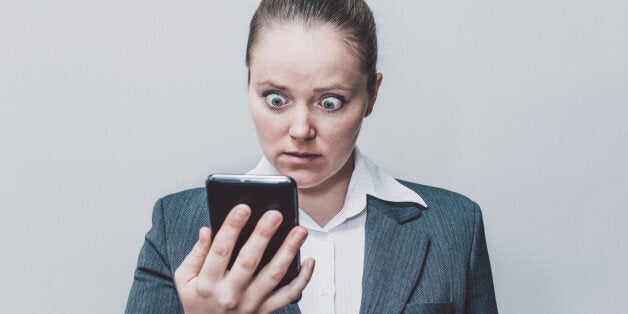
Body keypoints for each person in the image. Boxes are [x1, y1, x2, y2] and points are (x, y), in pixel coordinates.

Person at [126, 0, 498, 313]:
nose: (301, 129)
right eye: (276, 99)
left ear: (371, 95)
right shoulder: (176, 228)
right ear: (249, 85)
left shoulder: (456, 226)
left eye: (330, 102)